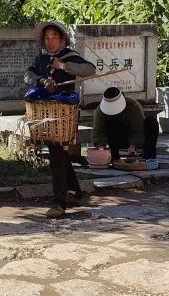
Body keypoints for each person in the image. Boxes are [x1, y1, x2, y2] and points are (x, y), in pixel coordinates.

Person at [24, 21, 96, 219]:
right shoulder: (41, 59)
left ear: (62, 39)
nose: (50, 42)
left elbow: (90, 70)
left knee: (56, 156)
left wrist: (63, 66)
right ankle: (75, 192)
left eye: (54, 37)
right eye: (47, 38)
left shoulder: (69, 56)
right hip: (43, 114)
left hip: (62, 115)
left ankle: (59, 203)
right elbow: (28, 75)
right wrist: (43, 81)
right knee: (59, 153)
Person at [91, 86, 160, 170]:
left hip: (135, 137)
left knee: (151, 121)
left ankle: (149, 156)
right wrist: (100, 146)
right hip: (116, 137)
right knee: (112, 123)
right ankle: (114, 157)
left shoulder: (133, 105)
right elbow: (98, 130)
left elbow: (138, 128)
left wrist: (133, 145)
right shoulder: (101, 110)